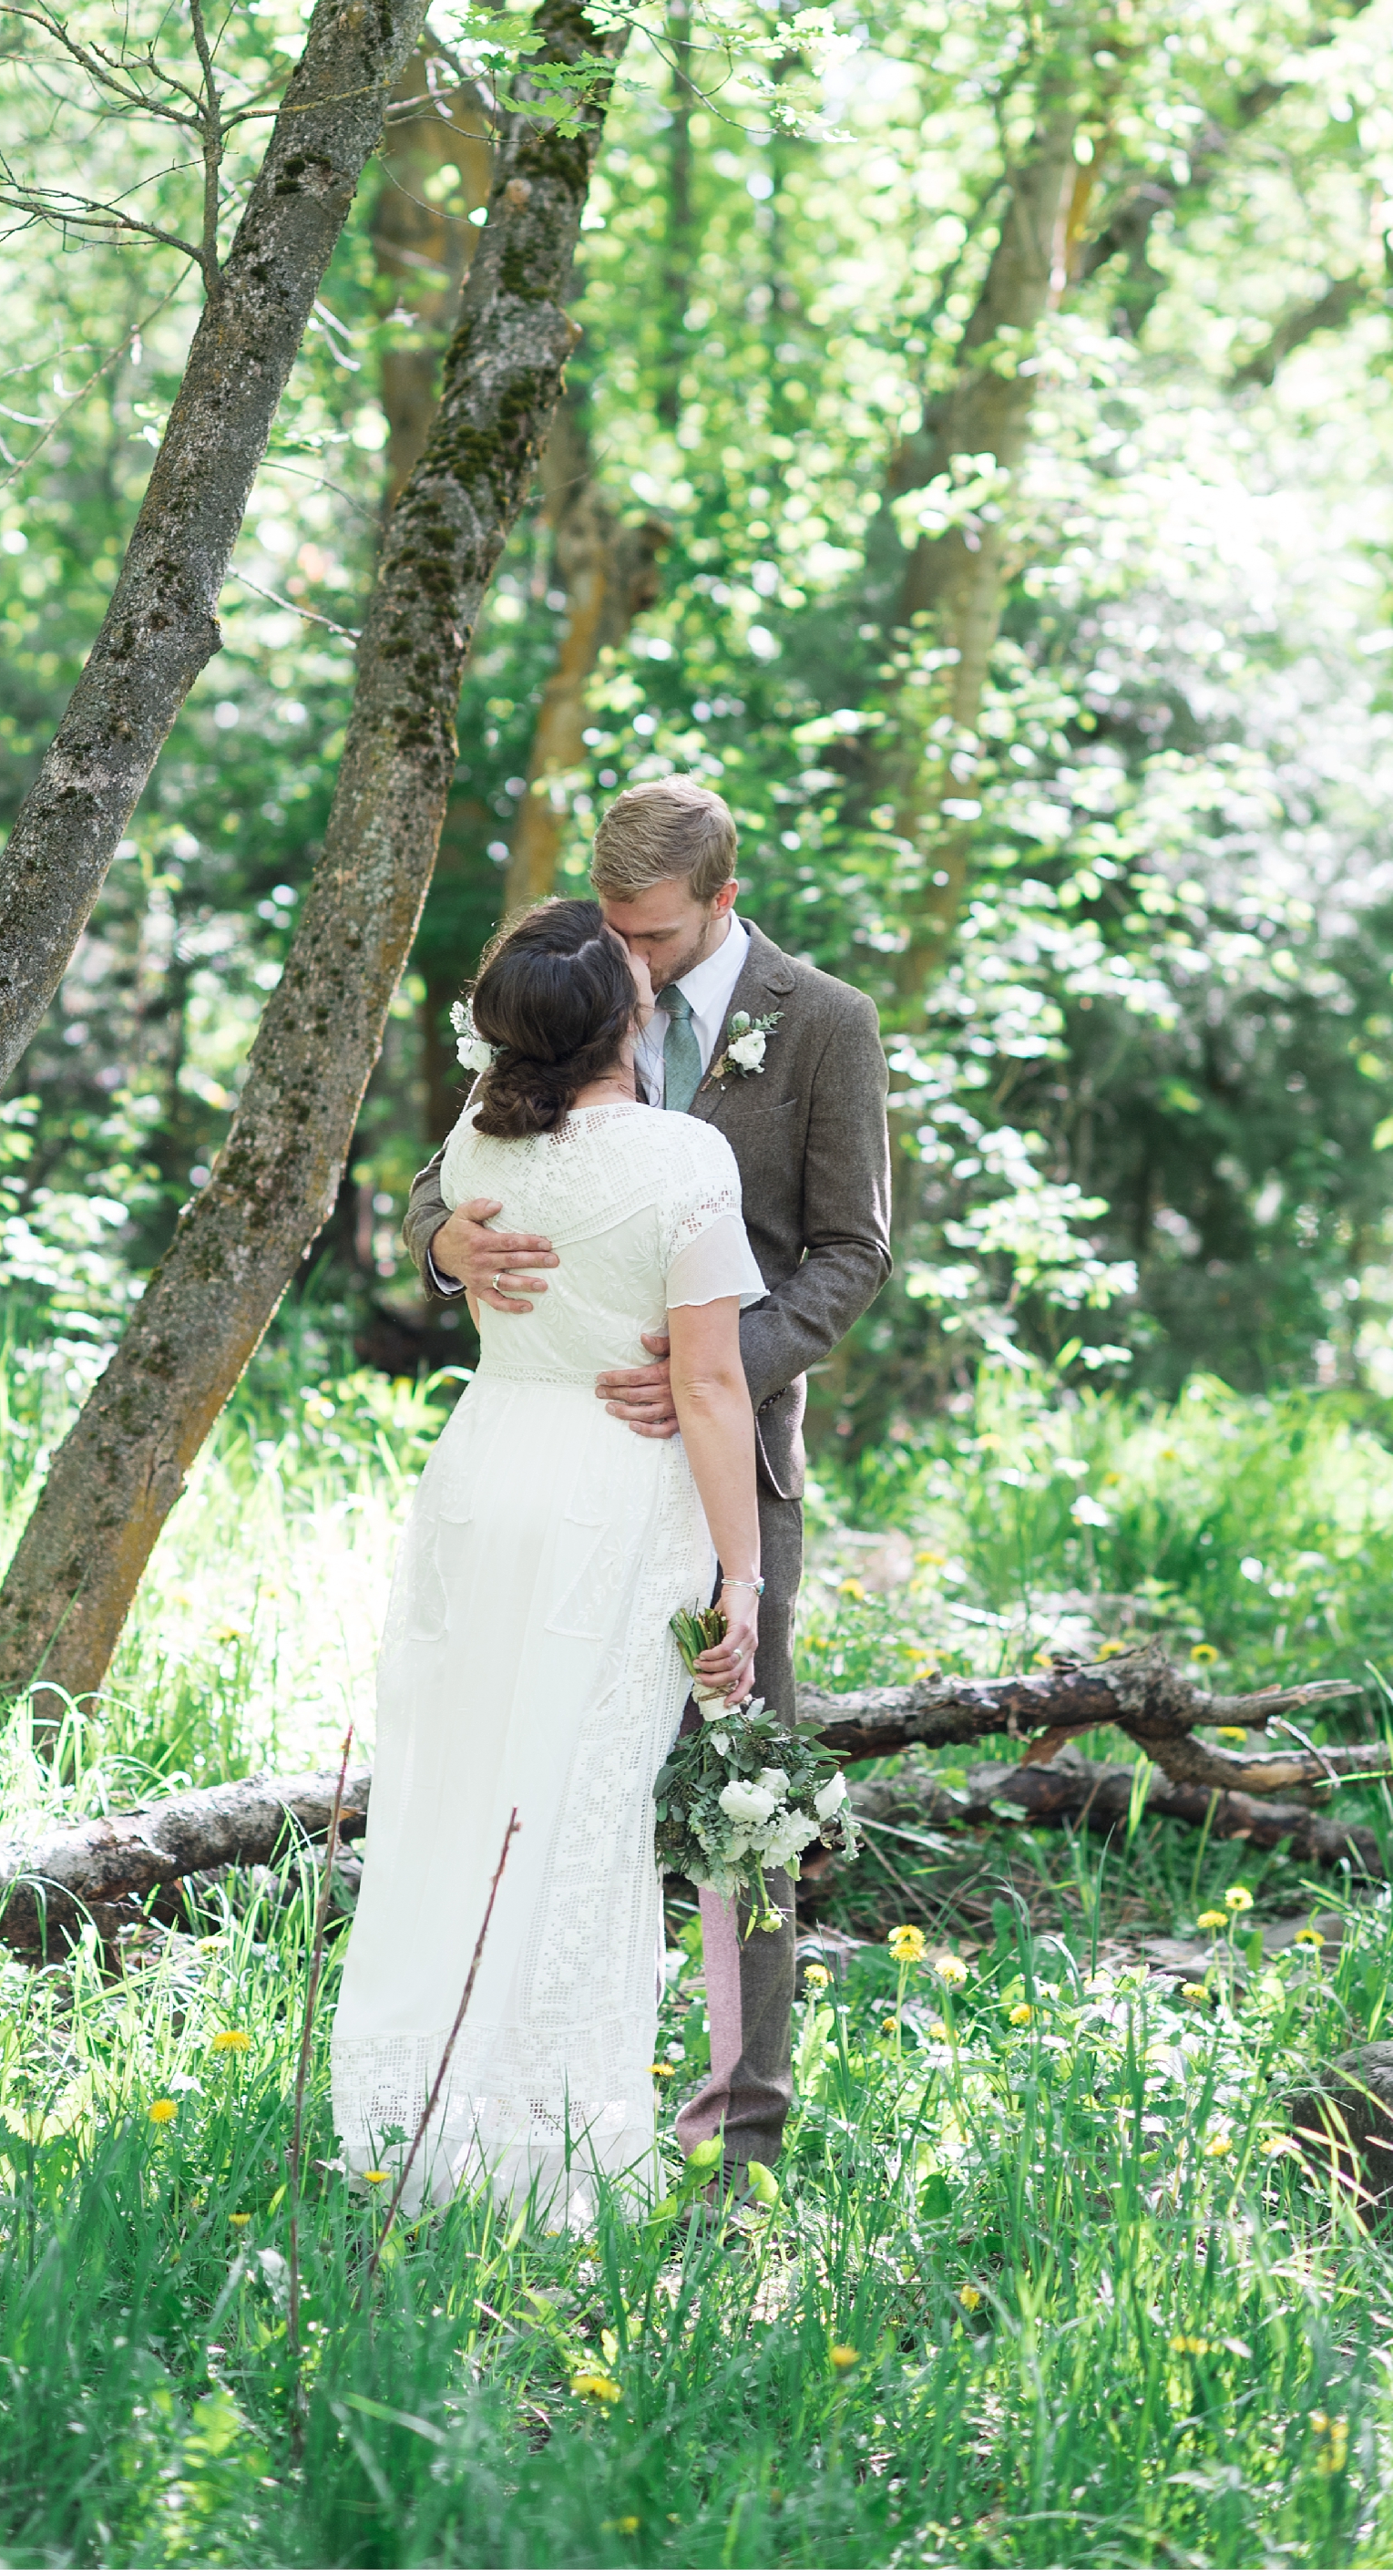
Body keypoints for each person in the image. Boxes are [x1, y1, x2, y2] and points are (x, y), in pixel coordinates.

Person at [405, 779, 891, 2181]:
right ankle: (519, 2094)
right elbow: (452, 1182)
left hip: (732, 1471)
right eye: (616, 928)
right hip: (560, 1480)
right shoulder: (568, 982)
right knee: (549, 1774)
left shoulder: (826, 1025)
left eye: (658, 934)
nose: (632, 958)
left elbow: (851, 1253)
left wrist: (709, 1371)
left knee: (744, 1797)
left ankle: (736, 2137)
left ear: (723, 900)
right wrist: (450, 1254)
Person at [330, 897, 768, 2228]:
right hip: (610, 1496)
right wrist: (740, 1580)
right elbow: (707, 1387)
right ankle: (550, 2143)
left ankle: (419, 2113)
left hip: (483, 1471)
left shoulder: (477, 1138)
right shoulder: (686, 1159)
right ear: (626, 1016)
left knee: (461, 1786)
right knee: (579, 1808)